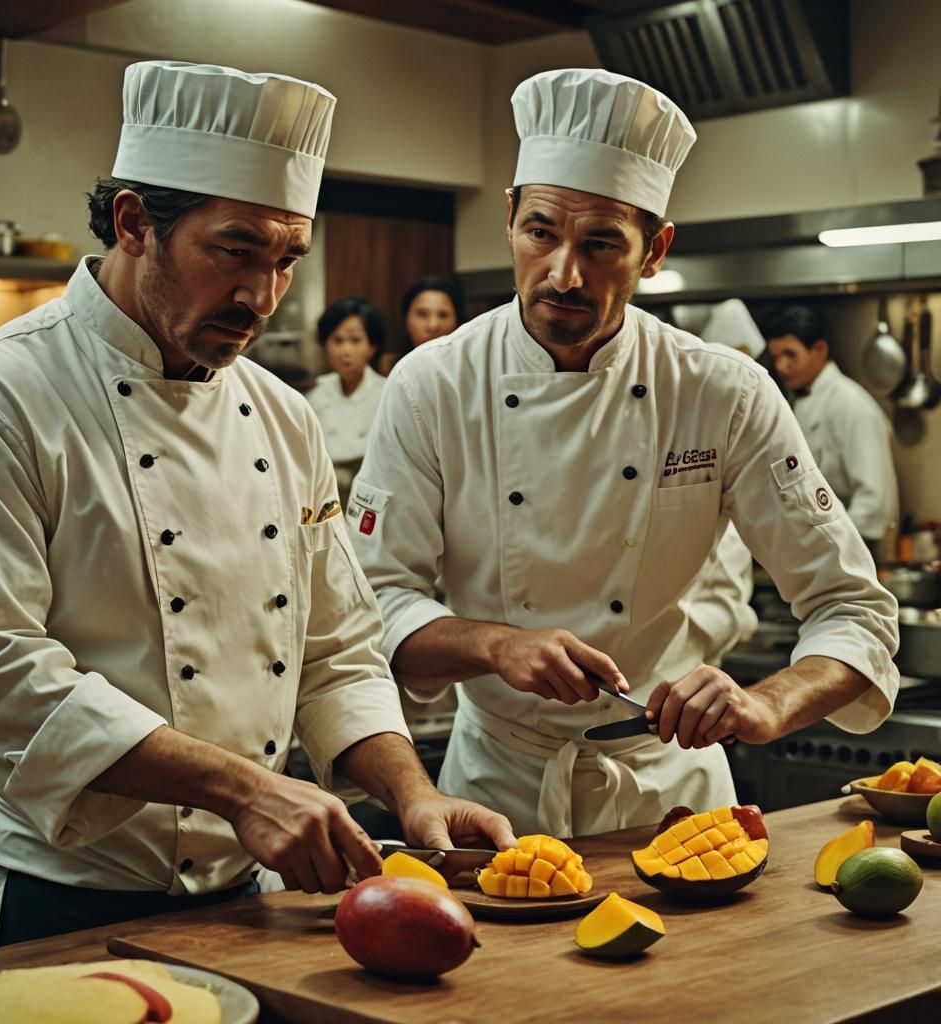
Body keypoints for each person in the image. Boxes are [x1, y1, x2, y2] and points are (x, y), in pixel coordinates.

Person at [0, 60, 513, 951]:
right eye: (235, 250)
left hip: (249, 902)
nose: (261, 298)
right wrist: (245, 789)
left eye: (285, 261)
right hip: (68, 902)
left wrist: (413, 793)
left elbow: (336, 651)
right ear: (132, 223)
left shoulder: (282, 414)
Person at [347, 68, 899, 839]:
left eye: (601, 243)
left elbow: (855, 608)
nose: (563, 273)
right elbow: (373, 604)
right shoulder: (432, 384)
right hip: (497, 790)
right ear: (509, 220)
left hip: (672, 791)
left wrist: (766, 703)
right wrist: (495, 644)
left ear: (655, 250)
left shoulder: (721, 391)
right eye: (541, 232)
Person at [763, 304, 899, 560]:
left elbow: (874, 502)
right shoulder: (798, 401)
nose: (781, 366)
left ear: (820, 349)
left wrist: (826, 551)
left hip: (851, 557)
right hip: (812, 555)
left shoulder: (852, 405)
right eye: (776, 356)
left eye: (790, 355)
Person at [307, 297, 388, 506]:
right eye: (338, 340)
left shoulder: (388, 392)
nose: (346, 351)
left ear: (372, 347)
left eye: (355, 340)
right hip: (323, 497)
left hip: (371, 500)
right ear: (325, 345)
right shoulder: (315, 394)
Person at [378, 276, 465, 375]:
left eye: (443, 315)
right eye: (422, 314)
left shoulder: (469, 369)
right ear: (405, 318)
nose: (433, 326)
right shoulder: (386, 369)